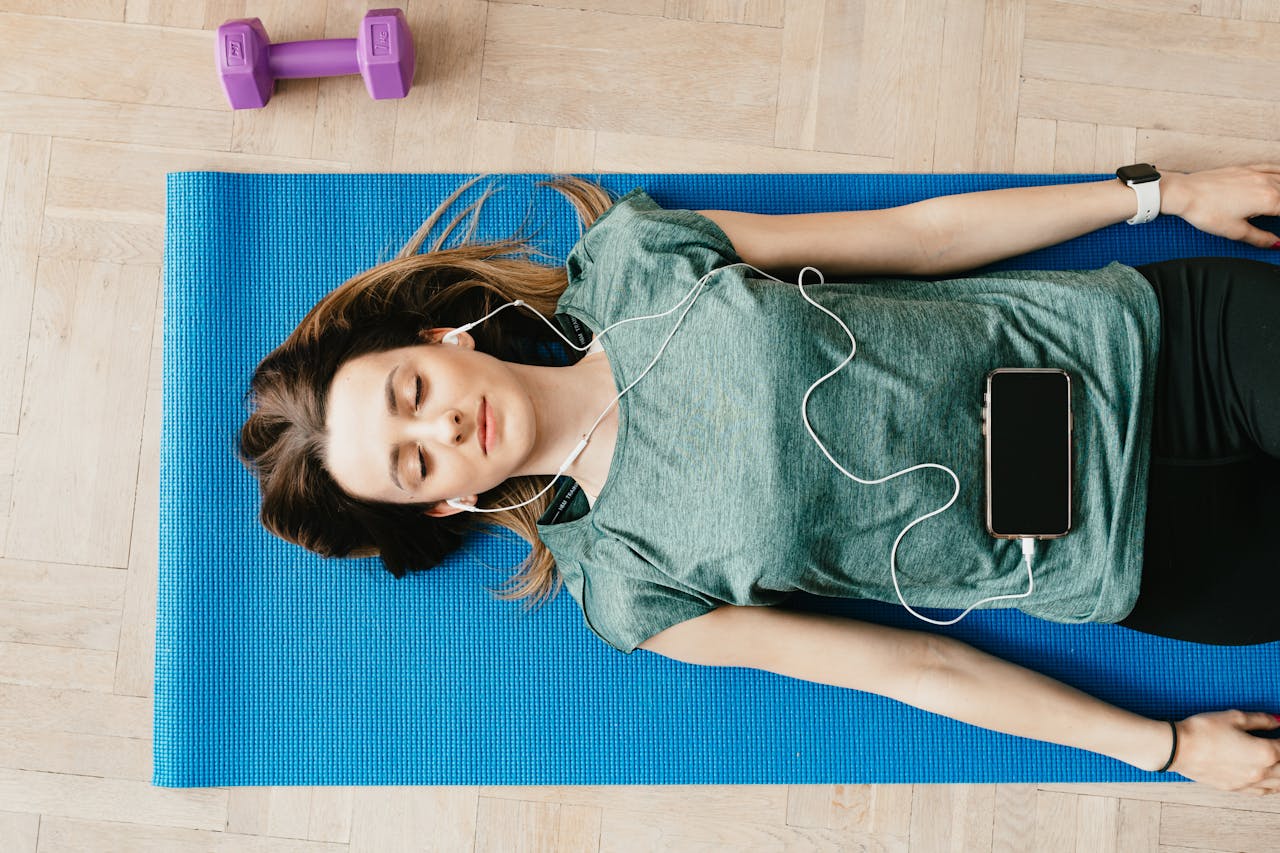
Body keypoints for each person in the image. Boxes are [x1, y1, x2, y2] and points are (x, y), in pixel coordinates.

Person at [239, 166, 1280, 794]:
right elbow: (906, 671)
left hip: (1159, 347)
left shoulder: (637, 258)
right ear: (440, 502)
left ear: (436, 335)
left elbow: (917, 239)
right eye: (414, 459)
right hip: (1149, 552)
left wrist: (1160, 193)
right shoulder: (631, 590)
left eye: (411, 388)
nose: (441, 424)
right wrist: (1162, 747)